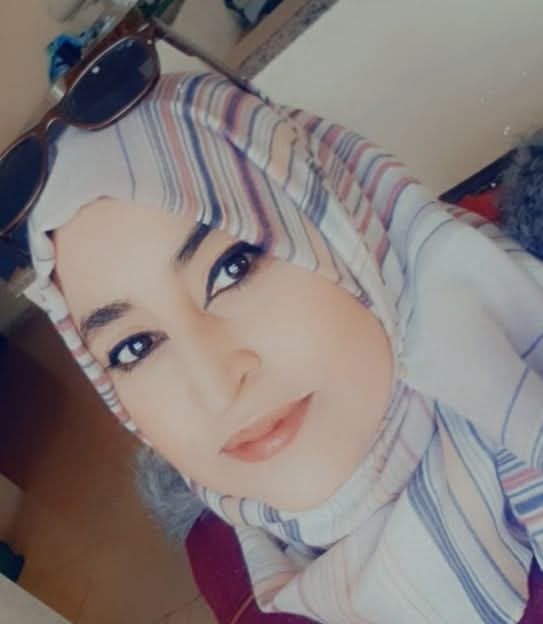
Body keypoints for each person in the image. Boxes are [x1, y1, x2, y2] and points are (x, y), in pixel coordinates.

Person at [19, 71, 543, 623]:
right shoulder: (221, 556)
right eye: (134, 347)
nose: (216, 387)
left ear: (349, 230)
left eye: (233, 268)